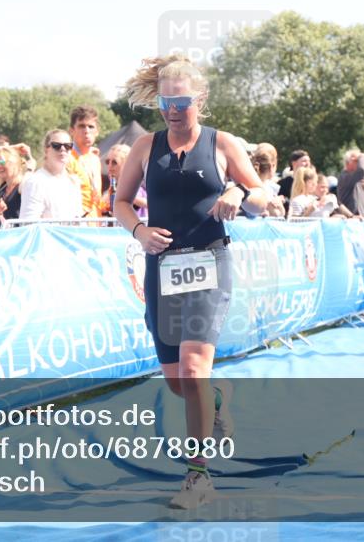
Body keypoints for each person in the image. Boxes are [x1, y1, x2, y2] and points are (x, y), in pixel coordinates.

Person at [113, 55, 267, 509]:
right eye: (166, 101)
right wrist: (139, 231)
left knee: (195, 368)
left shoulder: (223, 145)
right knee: (179, 382)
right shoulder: (145, 147)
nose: (173, 109)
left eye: (181, 101)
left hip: (209, 264)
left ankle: (198, 477)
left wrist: (239, 192)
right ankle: (218, 401)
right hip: (162, 269)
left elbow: (261, 195)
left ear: (199, 100)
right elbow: (120, 202)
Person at [18, 130, 83, 221]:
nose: (63, 149)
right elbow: (28, 225)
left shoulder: (73, 182)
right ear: (46, 150)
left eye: (68, 146)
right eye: (56, 146)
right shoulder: (35, 182)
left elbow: (79, 220)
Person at [67, 106, 103, 218]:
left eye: (91, 127)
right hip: (75, 223)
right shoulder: (66, 158)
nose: (87, 131)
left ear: (97, 131)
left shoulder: (95, 159)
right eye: (82, 126)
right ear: (72, 130)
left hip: (96, 223)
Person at [101, 144, 148, 218]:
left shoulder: (134, 186)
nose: (109, 166)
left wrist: (123, 196)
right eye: (107, 162)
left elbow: (150, 204)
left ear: (127, 164)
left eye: (114, 162)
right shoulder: (113, 186)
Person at [0, 144, 32, 222]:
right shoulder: (2, 188)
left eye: (2, 162)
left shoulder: (24, 184)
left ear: (15, 163)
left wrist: (30, 169)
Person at [250, 151, 286, 217]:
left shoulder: (270, 186)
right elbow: (277, 214)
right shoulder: (265, 188)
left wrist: (279, 204)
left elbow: (280, 213)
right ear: (271, 167)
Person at [336, 148, 364, 215]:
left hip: (360, 220)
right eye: (357, 161)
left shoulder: (356, 179)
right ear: (349, 162)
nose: (360, 163)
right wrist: (361, 156)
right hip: (350, 220)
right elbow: (362, 170)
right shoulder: (344, 177)